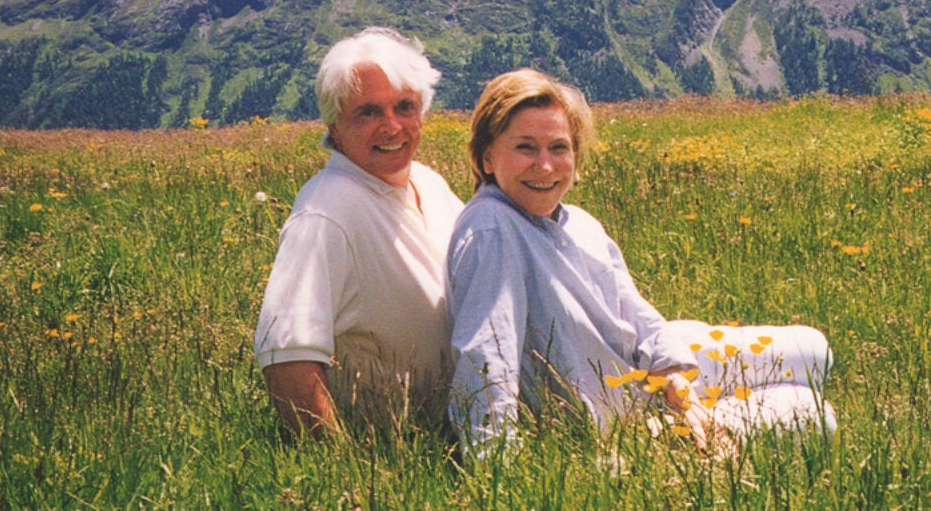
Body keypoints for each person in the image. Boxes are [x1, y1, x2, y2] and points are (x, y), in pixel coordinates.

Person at [446, 68, 834, 455]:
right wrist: (498, 473)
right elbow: (485, 360)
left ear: (576, 155)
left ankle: (706, 402)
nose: (545, 166)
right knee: (816, 415)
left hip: (655, 369)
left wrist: (686, 397)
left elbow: (638, 314)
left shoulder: (578, 222)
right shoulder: (491, 229)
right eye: (526, 147)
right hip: (620, 409)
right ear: (487, 157)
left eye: (559, 147)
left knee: (817, 352)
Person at [254, 27, 465, 437]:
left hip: (451, 442)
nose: (391, 126)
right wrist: (338, 472)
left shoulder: (429, 183)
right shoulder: (326, 213)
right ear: (334, 124)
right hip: (391, 457)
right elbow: (286, 356)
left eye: (405, 107)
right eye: (368, 112)